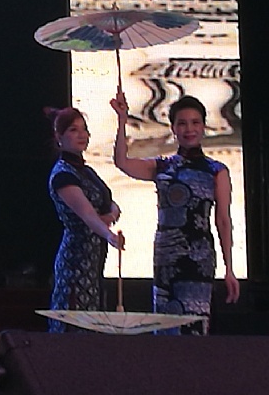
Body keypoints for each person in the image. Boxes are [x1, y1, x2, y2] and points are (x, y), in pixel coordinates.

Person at [110, 89, 240, 332]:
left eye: (195, 123)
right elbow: (122, 162)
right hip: (166, 258)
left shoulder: (216, 171)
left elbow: (223, 220)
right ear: (173, 128)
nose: (189, 129)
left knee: (194, 326)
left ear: (203, 127)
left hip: (198, 259)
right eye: (182, 123)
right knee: (165, 327)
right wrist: (122, 121)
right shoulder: (163, 167)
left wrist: (229, 269)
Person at [44, 106, 124, 332]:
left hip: (94, 259)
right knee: (76, 324)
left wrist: (110, 216)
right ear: (59, 137)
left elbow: (110, 204)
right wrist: (108, 234)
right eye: (73, 130)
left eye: (84, 129)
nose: (82, 135)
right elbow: (87, 214)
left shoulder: (85, 171)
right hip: (77, 260)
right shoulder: (63, 174)